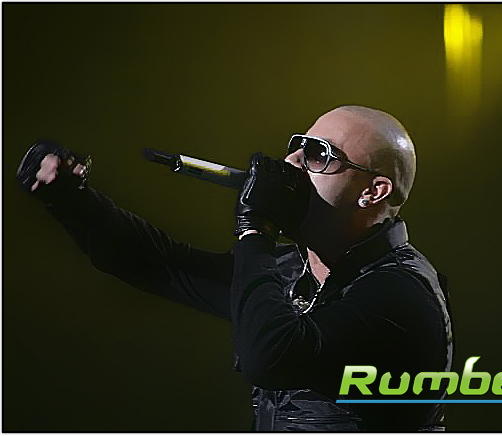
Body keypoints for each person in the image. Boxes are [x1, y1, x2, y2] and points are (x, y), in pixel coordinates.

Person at [16, 105, 454, 431]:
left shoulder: (398, 291)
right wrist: (72, 199)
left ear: (373, 192)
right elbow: (162, 266)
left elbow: (270, 356)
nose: (291, 163)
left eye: (318, 154)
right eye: (296, 147)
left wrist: (254, 230)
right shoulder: (295, 270)